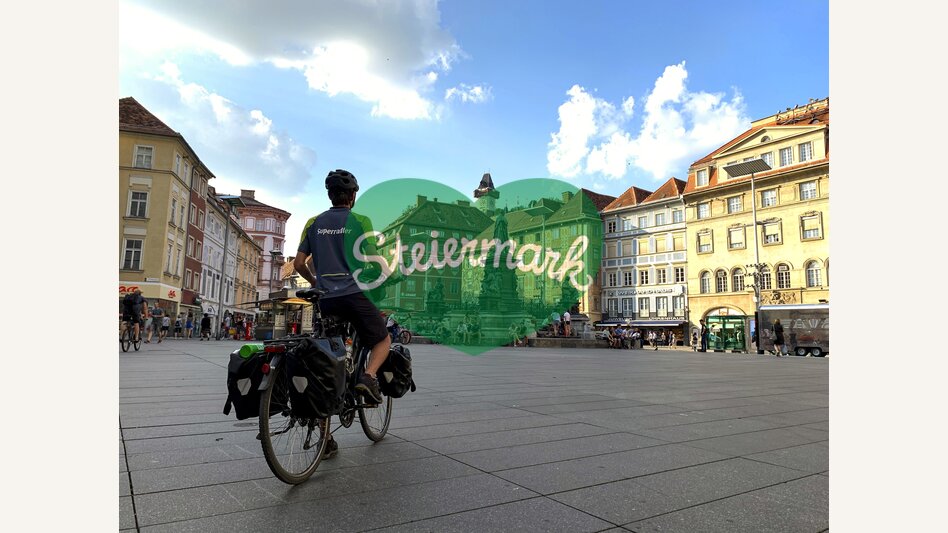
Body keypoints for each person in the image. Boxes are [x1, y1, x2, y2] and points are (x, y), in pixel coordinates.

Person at [294, 169, 392, 459]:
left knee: (328, 364)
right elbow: (373, 263)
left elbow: (299, 263)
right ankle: (369, 376)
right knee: (382, 339)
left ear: (329, 195)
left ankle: (325, 440)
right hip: (354, 295)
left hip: (326, 300)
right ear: (352, 196)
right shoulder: (360, 221)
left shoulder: (313, 223)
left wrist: (317, 283)